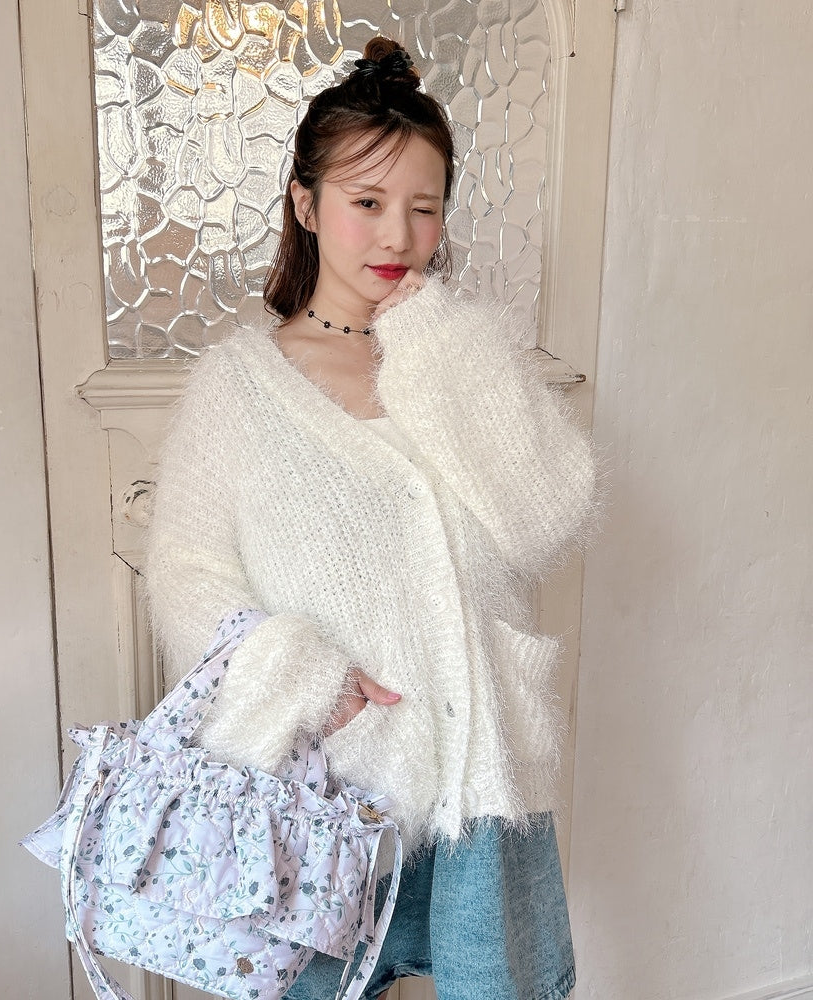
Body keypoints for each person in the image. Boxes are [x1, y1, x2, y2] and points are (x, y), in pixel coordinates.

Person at [146, 37, 597, 1000]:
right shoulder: (238, 387)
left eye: (423, 208)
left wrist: (438, 344)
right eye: (367, 202)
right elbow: (186, 572)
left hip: (477, 765)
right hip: (323, 781)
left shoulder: (460, 355)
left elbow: (547, 518)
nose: (397, 236)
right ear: (306, 205)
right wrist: (303, 678)